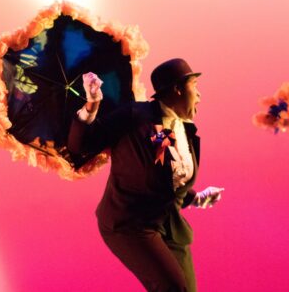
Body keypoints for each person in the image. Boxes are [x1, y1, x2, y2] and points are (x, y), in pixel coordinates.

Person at [68, 58, 224, 292]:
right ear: (177, 89)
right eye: (195, 87)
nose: (200, 96)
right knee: (173, 288)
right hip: (129, 224)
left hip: (166, 223)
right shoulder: (135, 116)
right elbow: (82, 144)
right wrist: (92, 104)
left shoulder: (175, 127)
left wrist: (197, 198)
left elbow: (164, 180)